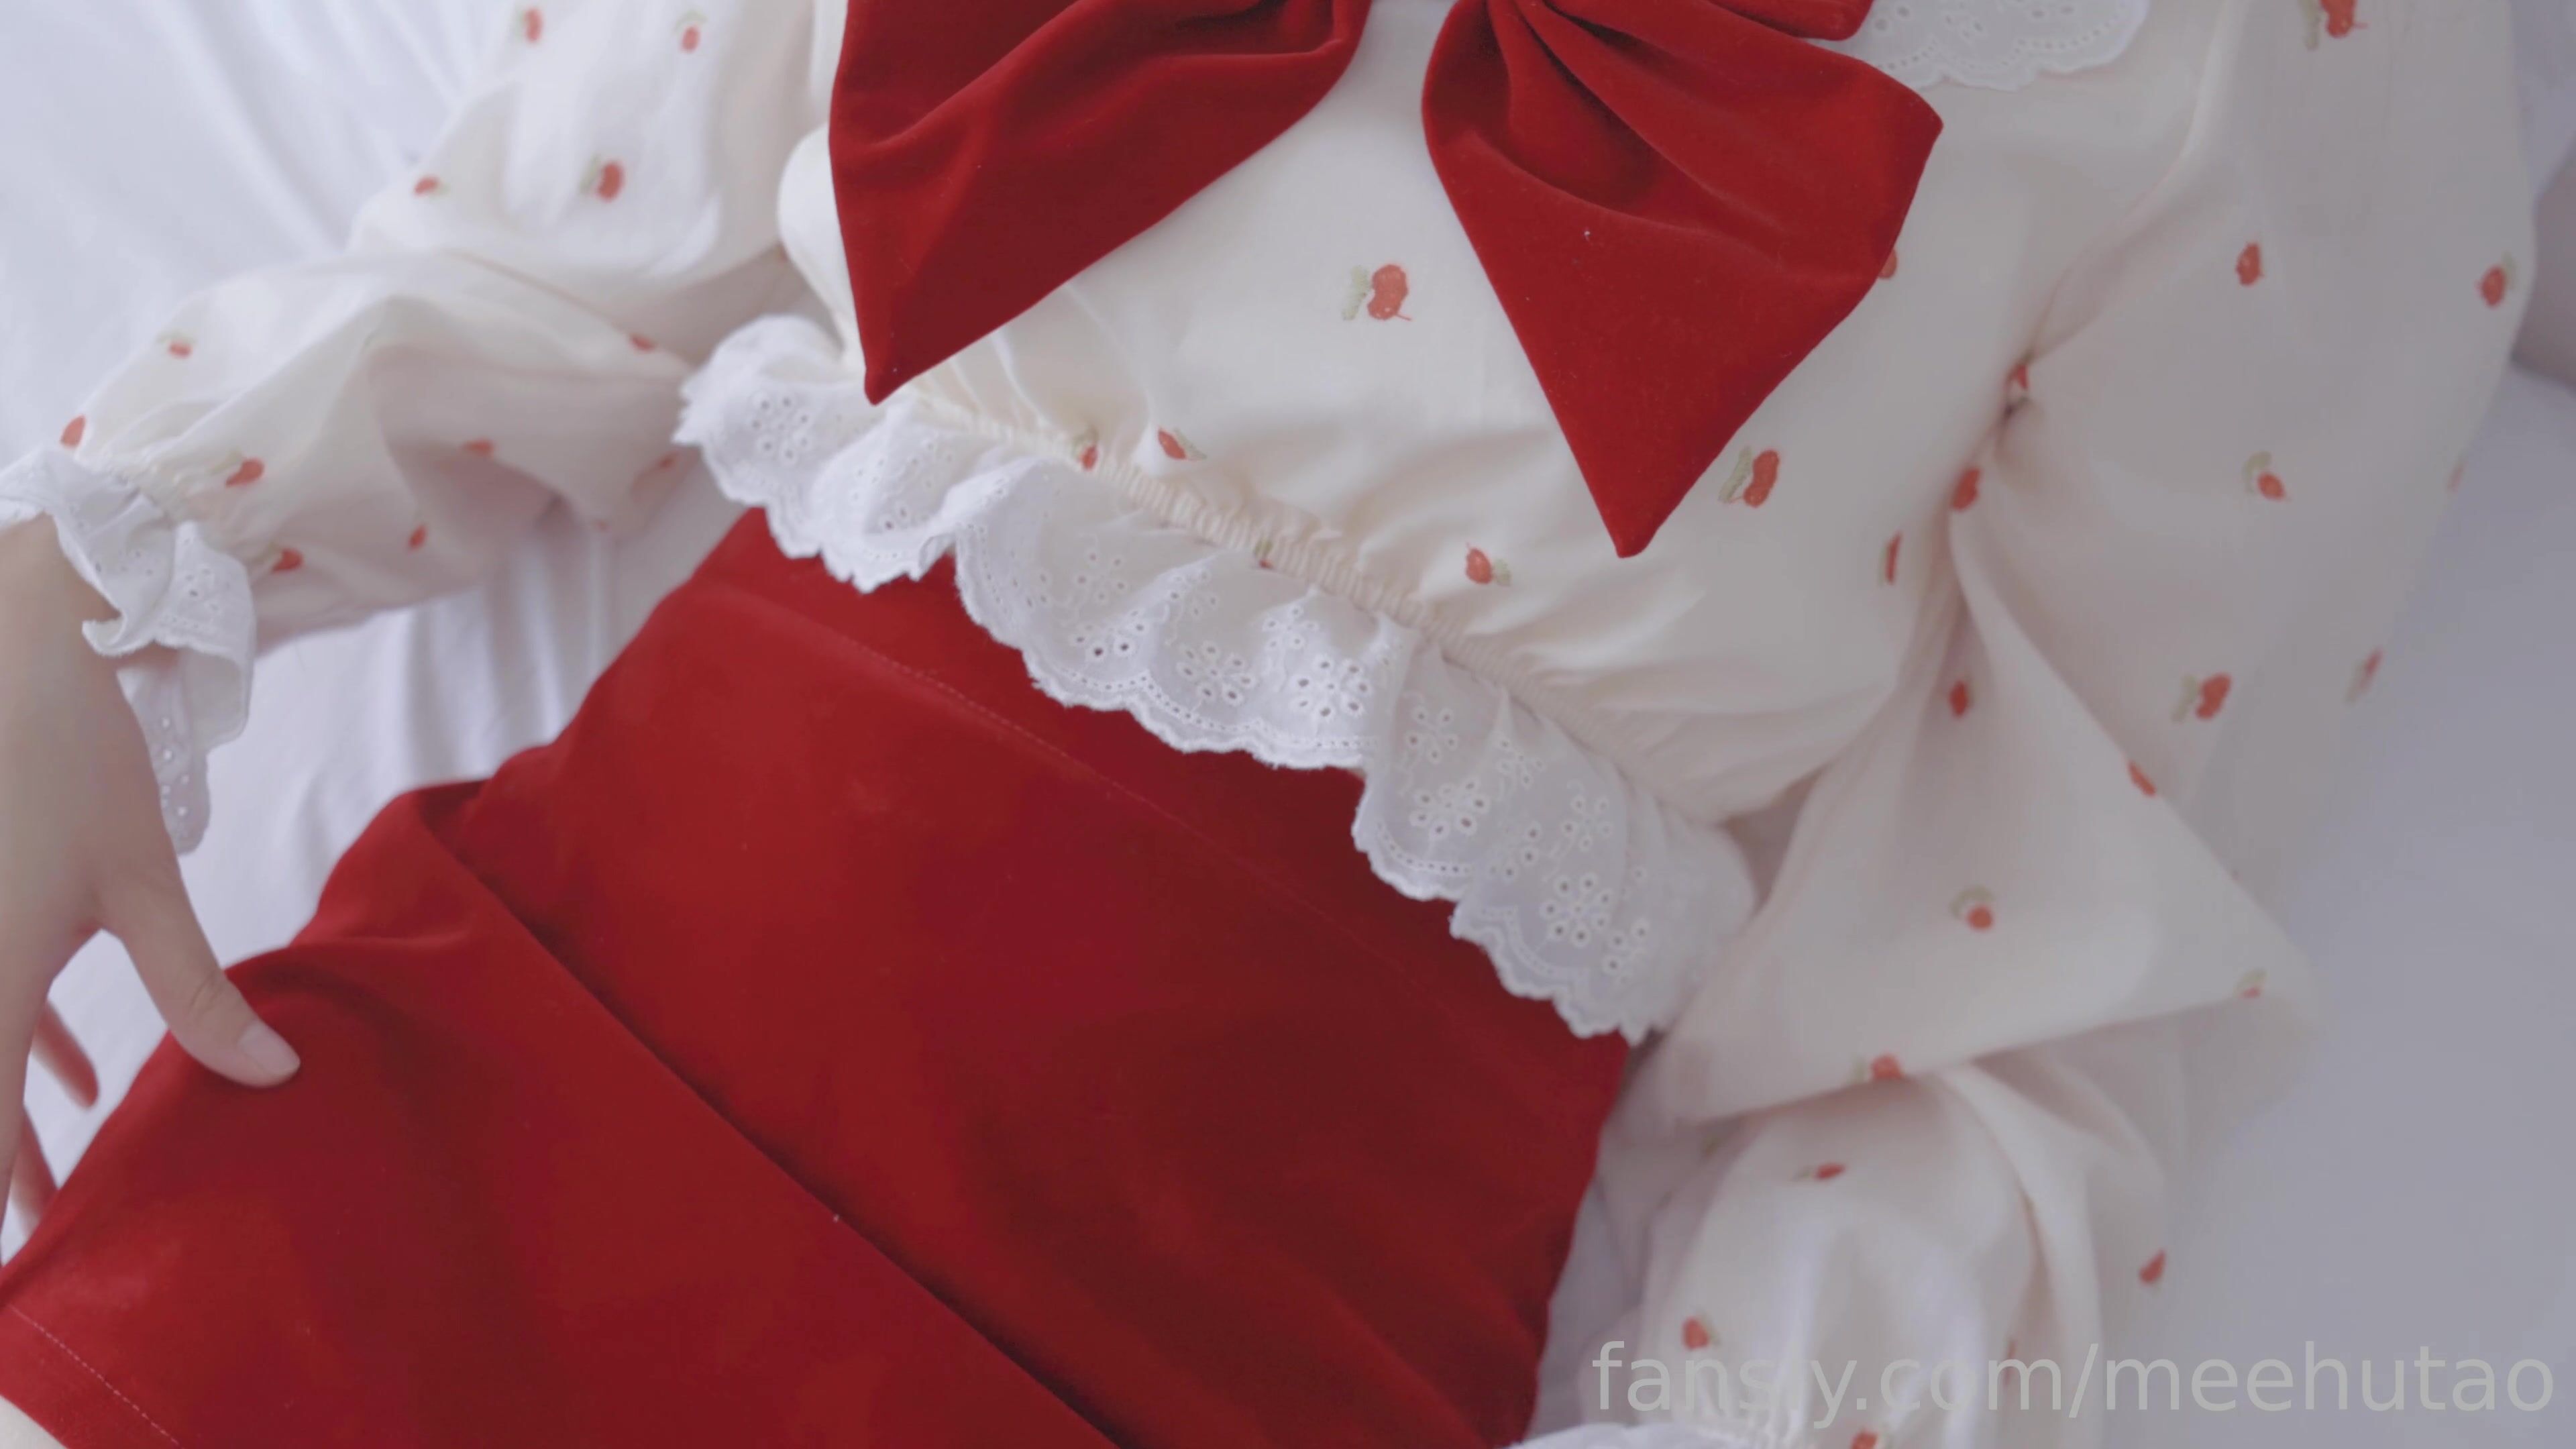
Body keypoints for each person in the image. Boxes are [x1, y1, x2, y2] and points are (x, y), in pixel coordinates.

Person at [0, 1, 2532, 1444]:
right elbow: (522, 283)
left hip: (1207, 1369)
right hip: (465, 1120)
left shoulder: (2288, 61)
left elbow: (2020, 1001)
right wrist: (74, 590)